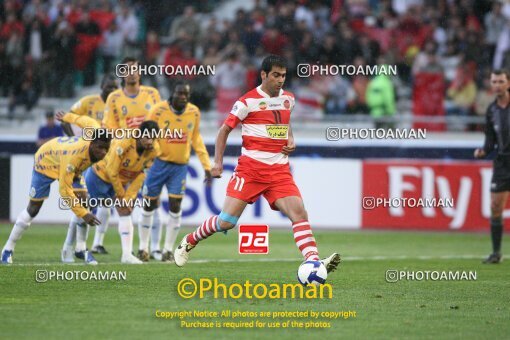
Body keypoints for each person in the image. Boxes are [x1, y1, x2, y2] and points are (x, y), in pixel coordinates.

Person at [173, 55, 341, 274]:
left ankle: (313, 261)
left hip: (279, 171)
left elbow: (284, 124)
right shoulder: (247, 101)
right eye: (276, 75)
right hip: (250, 171)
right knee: (226, 222)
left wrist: (290, 138)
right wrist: (217, 163)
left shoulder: (288, 98)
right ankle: (189, 240)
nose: (281, 80)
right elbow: (223, 131)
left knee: (299, 213)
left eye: (283, 76)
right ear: (264, 75)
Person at [59, 117, 161, 264]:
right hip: (99, 176)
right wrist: (121, 194)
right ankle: (68, 247)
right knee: (84, 211)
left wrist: (129, 197)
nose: (150, 141)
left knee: (125, 209)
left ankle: (126, 255)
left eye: (153, 138)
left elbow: (142, 174)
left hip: (117, 182)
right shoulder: (124, 142)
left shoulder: (154, 150)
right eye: (147, 137)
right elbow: (112, 170)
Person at [1, 133, 111, 264]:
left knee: (84, 201)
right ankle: (7, 249)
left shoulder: (94, 148)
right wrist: (84, 214)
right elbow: (64, 191)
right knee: (33, 209)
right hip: (46, 161)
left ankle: (80, 249)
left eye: (106, 148)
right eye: (100, 148)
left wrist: (68, 118)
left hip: (67, 163)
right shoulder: (75, 155)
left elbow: (83, 121)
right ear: (91, 144)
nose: (103, 152)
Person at [92, 57, 161, 255]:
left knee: (151, 200)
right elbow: (109, 127)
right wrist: (128, 141)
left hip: (147, 155)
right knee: (108, 199)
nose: (132, 73)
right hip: (123, 155)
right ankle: (97, 242)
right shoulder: (114, 97)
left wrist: (152, 145)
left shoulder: (152, 94)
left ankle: (150, 248)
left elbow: (160, 122)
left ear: (140, 72)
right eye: (127, 70)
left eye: (135, 69)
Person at [140, 82, 212, 262]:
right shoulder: (158, 110)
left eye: (186, 94)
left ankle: (167, 250)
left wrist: (207, 166)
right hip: (158, 164)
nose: (183, 97)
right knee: (148, 205)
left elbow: (196, 138)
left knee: (175, 206)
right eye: (180, 93)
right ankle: (143, 248)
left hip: (180, 167)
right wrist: (148, 156)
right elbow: (147, 134)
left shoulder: (194, 112)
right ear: (173, 94)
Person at [474, 69, 510, 264]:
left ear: (508, 83)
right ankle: (496, 253)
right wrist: (482, 151)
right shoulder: (492, 110)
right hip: (503, 162)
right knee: (496, 206)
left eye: (501, 81)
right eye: (494, 81)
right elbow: (490, 141)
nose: (497, 85)